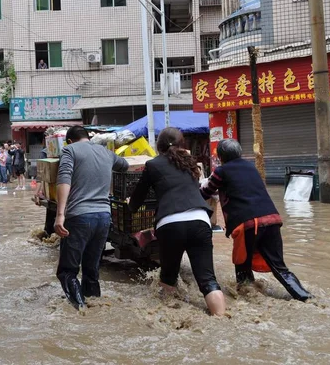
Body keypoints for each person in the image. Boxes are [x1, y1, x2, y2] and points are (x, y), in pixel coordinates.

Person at [200, 139, 313, 302]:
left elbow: (205, 192)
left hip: (248, 223)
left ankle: (249, 301)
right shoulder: (251, 167)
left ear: (221, 156)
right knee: (280, 267)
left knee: (242, 265)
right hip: (272, 219)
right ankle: (305, 296)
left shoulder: (221, 171)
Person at [129, 128, 226, 316]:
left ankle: (168, 317)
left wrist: (131, 206)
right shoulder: (190, 163)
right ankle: (222, 319)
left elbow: (136, 201)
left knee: (168, 276)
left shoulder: (152, 165)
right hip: (200, 220)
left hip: (170, 223)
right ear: (183, 145)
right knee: (207, 279)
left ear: (159, 146)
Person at [54, 126, 129, 310]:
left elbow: (64, 180)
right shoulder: (106, 152)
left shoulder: (69, 150)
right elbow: (125, 165)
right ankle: (94, 306)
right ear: (88, 138)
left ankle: (80, 311)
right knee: (91, 271)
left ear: (70, 140)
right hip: (104, 218)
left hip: (79, 217)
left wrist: (60, 215)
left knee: (67, 271)